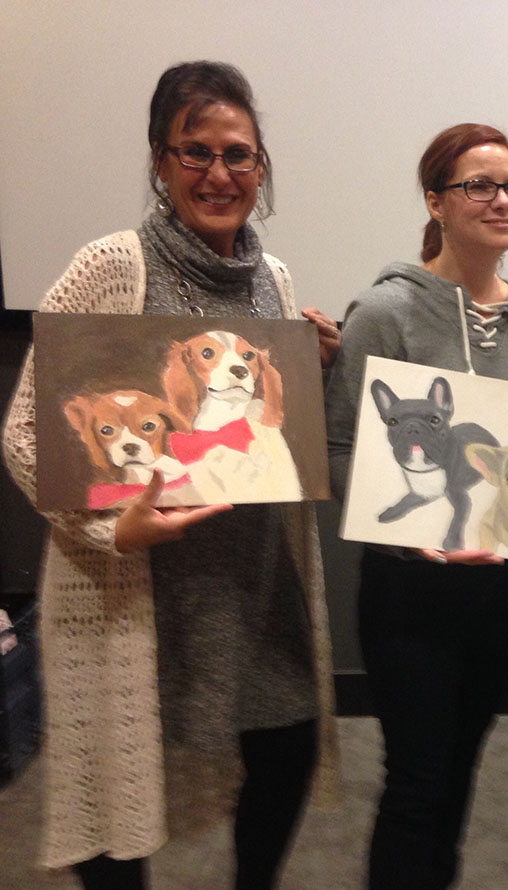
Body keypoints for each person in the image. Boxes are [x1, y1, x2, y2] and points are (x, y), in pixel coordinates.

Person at [1, 61, 340, 890]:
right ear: (159, 161)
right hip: (137, 583)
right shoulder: (114, 265)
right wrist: (109, 530)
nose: (219, 174)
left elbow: (262, 430)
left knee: (287, 749)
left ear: (261, 170)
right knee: (112, 796)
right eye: (196, 153)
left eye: (238, 156)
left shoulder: (275, 278)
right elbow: (23, 430)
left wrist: (312, 371)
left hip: (256, 579)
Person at [324, 123, 508, 890]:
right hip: (412, 589)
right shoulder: (384, 312)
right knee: (418, 781)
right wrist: (410, 538)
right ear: (436, 200)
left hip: (505, 579)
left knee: (461, 765)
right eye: (479, 185)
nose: (502, 200)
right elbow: (338, 447)